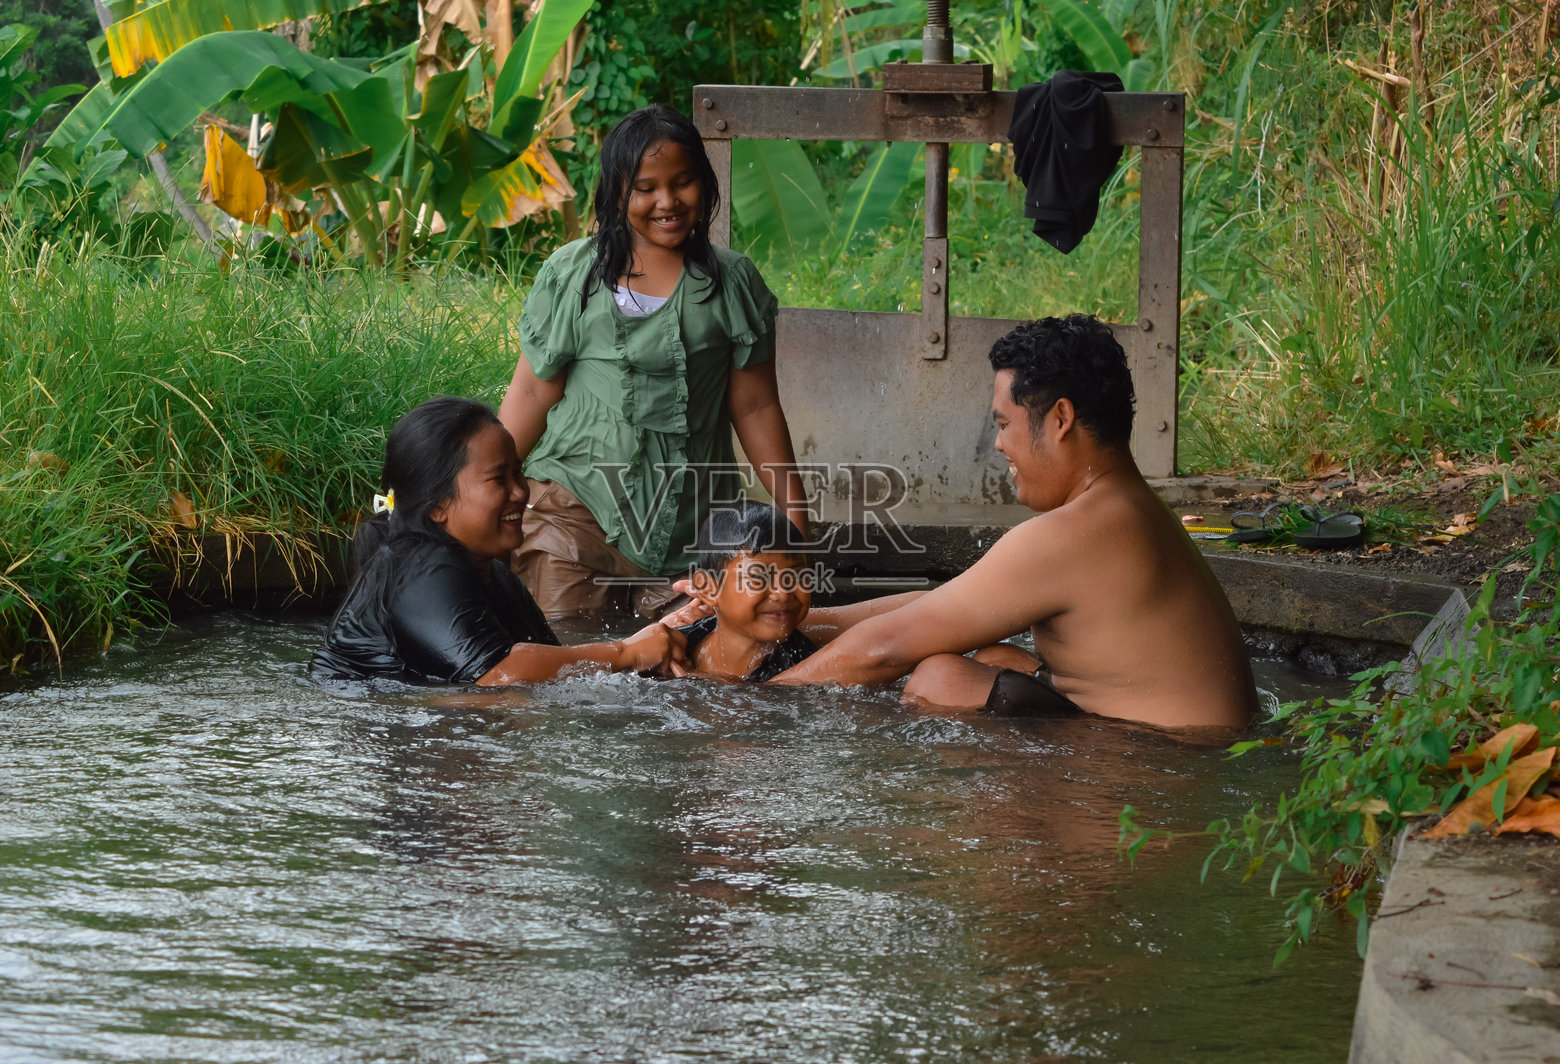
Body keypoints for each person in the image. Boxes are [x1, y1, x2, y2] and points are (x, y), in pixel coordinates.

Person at [773, 315, 1257, 731]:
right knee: (995, 658)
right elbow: (941, 608)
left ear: (1060, 418)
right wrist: (778, 622)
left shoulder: (1074, 534)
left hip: (1159, 768)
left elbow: (883, 651)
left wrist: (750, 702)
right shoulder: (1129, 507)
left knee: (941, 679)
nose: (999, 446)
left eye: (1004, 425)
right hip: (1189, 753)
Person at [498, 104, 808, 621]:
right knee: (563, 658)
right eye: (645, 188)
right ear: (617, 192)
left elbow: (755, 408)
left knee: (692, 665)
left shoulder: (731, 283)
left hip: (694, 529)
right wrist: (486, 494)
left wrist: (796, 528)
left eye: (682, 182)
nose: (667, 201)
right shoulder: (573, 274)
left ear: (705, 185)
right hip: (574, 512)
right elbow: (532, 392)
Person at [311, 397, 686, 686]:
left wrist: (665, 634)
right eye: (498, 480)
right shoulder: (419, 566)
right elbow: (497, 675)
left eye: (518, 474)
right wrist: (625, 653)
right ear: (439, 504)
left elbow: (561, 667)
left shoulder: (492, 572)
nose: (521, 492)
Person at [678, 501, 819, 682]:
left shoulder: (804, 669)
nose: (783, 593)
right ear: (708, 589)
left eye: (796, 576)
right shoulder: (677, 644)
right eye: (759, 578)